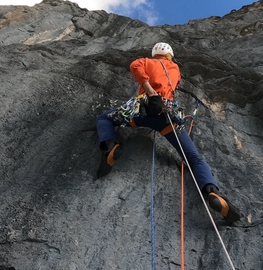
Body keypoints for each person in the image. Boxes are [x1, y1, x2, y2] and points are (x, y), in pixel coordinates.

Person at [96, 42, 241, 224]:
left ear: (154, 53)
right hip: (167, 117)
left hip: (143, 111)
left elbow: (135, 66)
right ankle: (212, 192)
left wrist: (150, 92)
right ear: (170, 55)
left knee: (104, 118)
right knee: (194, 158)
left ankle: (110, 146)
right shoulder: (176, 69)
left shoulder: (146, 61)